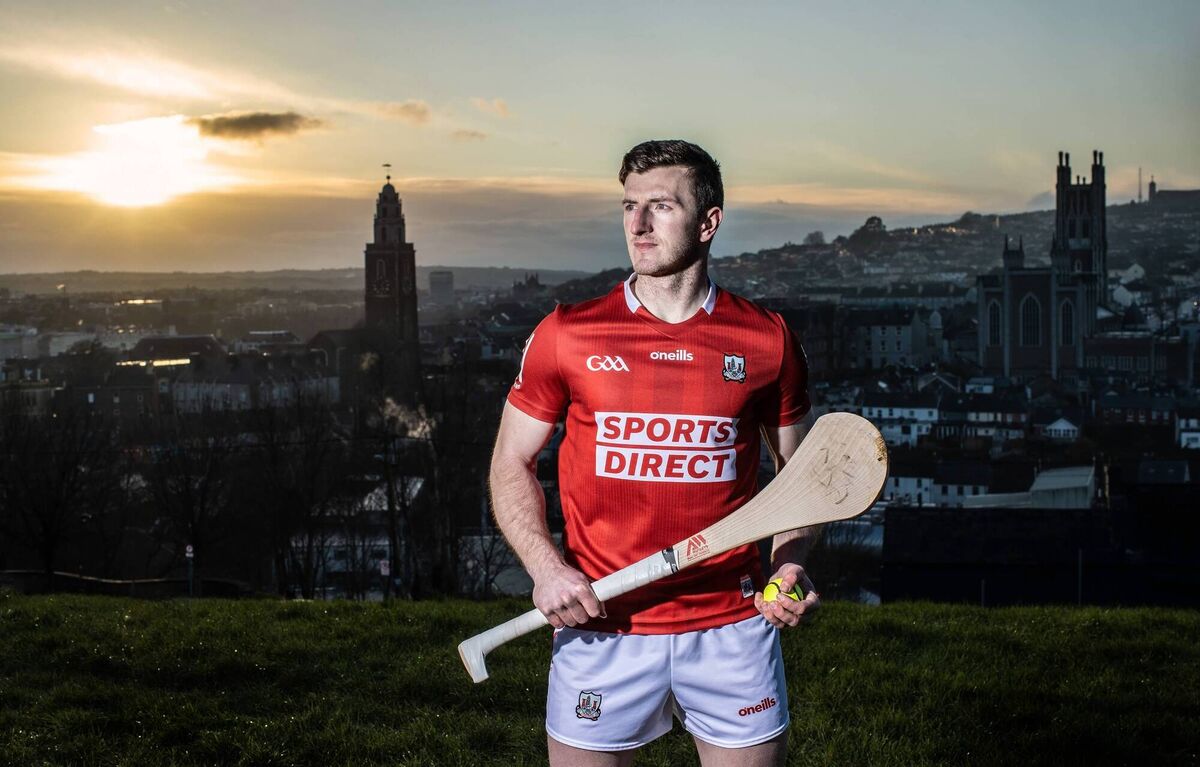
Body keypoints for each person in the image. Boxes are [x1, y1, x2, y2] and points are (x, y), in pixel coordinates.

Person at [489, 139, 820, 767]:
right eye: (629, 206)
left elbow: (799, 479)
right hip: (602, 625)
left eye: (661, 206)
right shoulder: (568, 332)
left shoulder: (767, 340)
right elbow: (511, 462)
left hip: (733, 626)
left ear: (708, 222)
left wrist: (791, 564)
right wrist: (546, 568)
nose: (637, 225)